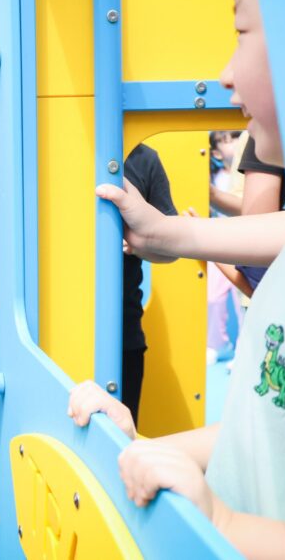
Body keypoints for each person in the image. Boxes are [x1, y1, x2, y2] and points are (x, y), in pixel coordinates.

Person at [71, 0, 285, 559]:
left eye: (242, 29)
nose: (225, 72)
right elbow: (273, 423)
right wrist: (150, 446)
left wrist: (224, 524)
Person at [120, 142, 177, 428]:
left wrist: (135, 245)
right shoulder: (53, 141)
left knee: (121, 448)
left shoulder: (143, 159)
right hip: (56, 335)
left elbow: (172, 249)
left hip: (126, 335)